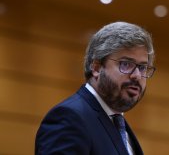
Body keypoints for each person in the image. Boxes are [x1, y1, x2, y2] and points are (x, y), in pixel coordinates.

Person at [35, 21, 156, 155]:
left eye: (142, 67)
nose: (137, 76)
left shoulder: (119, 125)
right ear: (97, 68)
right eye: (126, 64)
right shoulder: (69, 118)